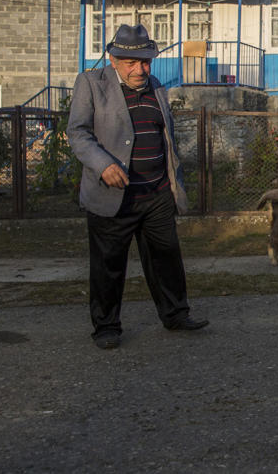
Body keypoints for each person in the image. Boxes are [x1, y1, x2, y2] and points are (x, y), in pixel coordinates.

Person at [67, 24, 208, 349]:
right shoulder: (91, 83)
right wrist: (104, 165)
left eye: (145, 62)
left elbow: (165, 136)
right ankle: (106, 327)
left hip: (156, 192)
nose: (140, 70)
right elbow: (78, 133)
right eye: (131, 63)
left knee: (166, 257)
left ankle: (176, 314)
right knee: (108, 265)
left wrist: (172, 184)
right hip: (114, 196)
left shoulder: (155, 86)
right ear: (114, 60)